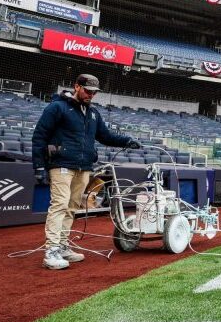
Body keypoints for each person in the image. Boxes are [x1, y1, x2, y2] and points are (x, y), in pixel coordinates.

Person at [32, 74, 141, 270]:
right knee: (59, 205)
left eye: (94, 92)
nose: (91, 95)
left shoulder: (93, 113)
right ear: (77, 87)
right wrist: (39, 166)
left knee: (72, 207)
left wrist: (126, 141)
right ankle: (51, 251)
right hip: (61, 164)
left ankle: (63, 246)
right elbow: (40, 136)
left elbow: (105, 136)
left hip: (83, 167)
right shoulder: (57, 107)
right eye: (88, 91)